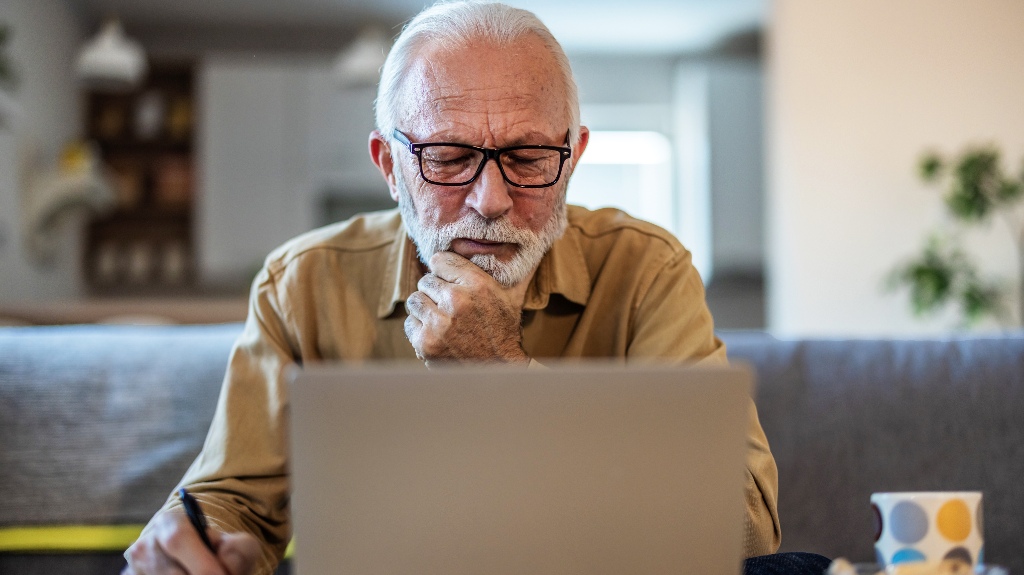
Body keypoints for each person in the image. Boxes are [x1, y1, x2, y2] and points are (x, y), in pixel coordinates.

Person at [123, 2, 784, 574]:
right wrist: (196, 547)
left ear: (573, 158)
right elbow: (232, 501)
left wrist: (502, 376)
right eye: (447, 158)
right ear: (390, 165)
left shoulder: (647, 272)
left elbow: (747, 529)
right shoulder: (303, 284)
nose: (490, 200)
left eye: (526, 158)